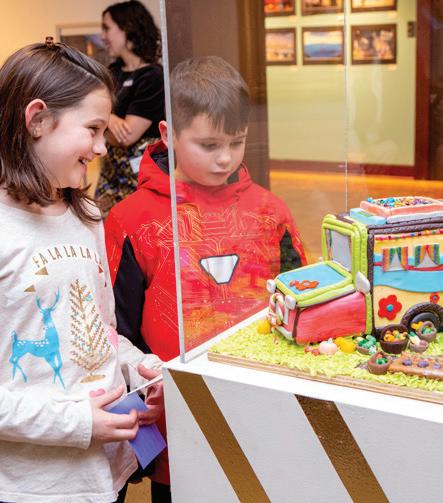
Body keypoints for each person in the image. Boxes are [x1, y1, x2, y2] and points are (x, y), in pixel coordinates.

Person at [105, 56, 307, 500]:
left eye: (237, 142)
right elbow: (119, 330)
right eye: (208, 144)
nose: (225, 158)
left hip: (260, 406)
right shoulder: (130, 220)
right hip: (176, 418)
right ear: (167, 134)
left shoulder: (271, 211)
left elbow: (300, 303)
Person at [0, 39, 165, 503]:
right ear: (37, 119)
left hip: (104, 474)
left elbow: (102, 332)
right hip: (34, 489)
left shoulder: (86, 215)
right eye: (92, 129)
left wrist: (138, 368)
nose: (100, 146)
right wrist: (76, 422)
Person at [95, 0, 165, 216]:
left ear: (127, 28)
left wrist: (104, 119)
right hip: (110, 176)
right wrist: (110, 119)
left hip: (139, 180)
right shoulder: (112, 72)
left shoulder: (153, 76)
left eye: (107, 28)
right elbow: (91, 113)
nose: (102, 36)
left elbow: (126, 136)